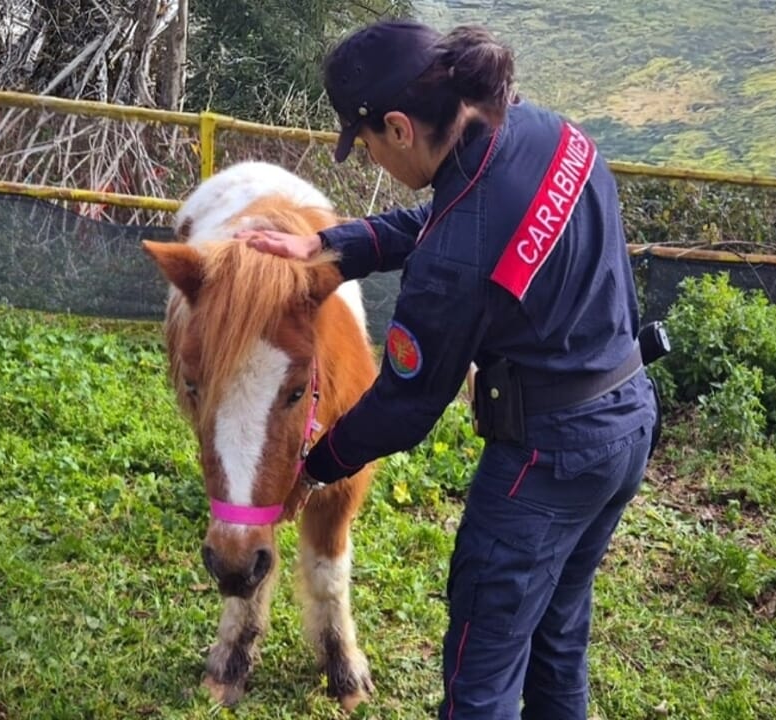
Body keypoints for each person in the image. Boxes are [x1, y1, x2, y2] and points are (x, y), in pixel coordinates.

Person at [235, 19, 660, 720]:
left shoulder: (454, 256)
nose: (372, 162)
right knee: (558, 639)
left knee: (480, 682)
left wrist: (311, 467)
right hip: (624, 424)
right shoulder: (545, 133)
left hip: (543, 466)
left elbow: (405, 404)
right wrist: (326, 244)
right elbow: (447, 222)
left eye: (366, 146)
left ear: (399, 127)